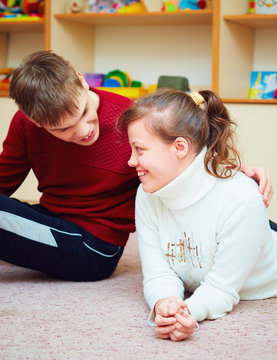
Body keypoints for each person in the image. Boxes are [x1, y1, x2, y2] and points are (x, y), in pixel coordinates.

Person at [0, 50, 272, 282]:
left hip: (94, 246)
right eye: (63, 129)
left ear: (82, 82)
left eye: (84, 112)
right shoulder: (24, 126)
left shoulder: (130, 118)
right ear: (35, 121)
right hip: (52, 218)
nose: (83, 130)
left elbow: (187, 163)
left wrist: (234, 173)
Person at [117, 88, 277, 342]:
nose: (130, 161)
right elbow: (158, 273)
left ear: (179, 147)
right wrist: (165, 304)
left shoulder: (241, 200)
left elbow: (222, 289)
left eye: (139, 149)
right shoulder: (146, 194)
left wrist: (189, 312)